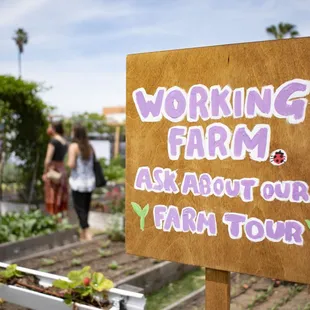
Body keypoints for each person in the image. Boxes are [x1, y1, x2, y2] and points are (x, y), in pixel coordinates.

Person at [67, 123, 96, 241]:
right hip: (89, 181)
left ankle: (87, 231)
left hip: (78, 181)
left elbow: (71, 164)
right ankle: (83, 233)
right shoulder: (90, 146)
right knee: (85, 207)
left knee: (79, 208)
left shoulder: (73, 147)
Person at [43, 121, 69, 217]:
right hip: (61, 169)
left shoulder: (53, 142)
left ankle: (53, 217)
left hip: (53, 169)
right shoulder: (65, 141)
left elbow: (48, 160)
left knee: (52, 193)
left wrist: (45, 171)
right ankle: (61, 217)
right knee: (61, 194)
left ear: (54, 129)